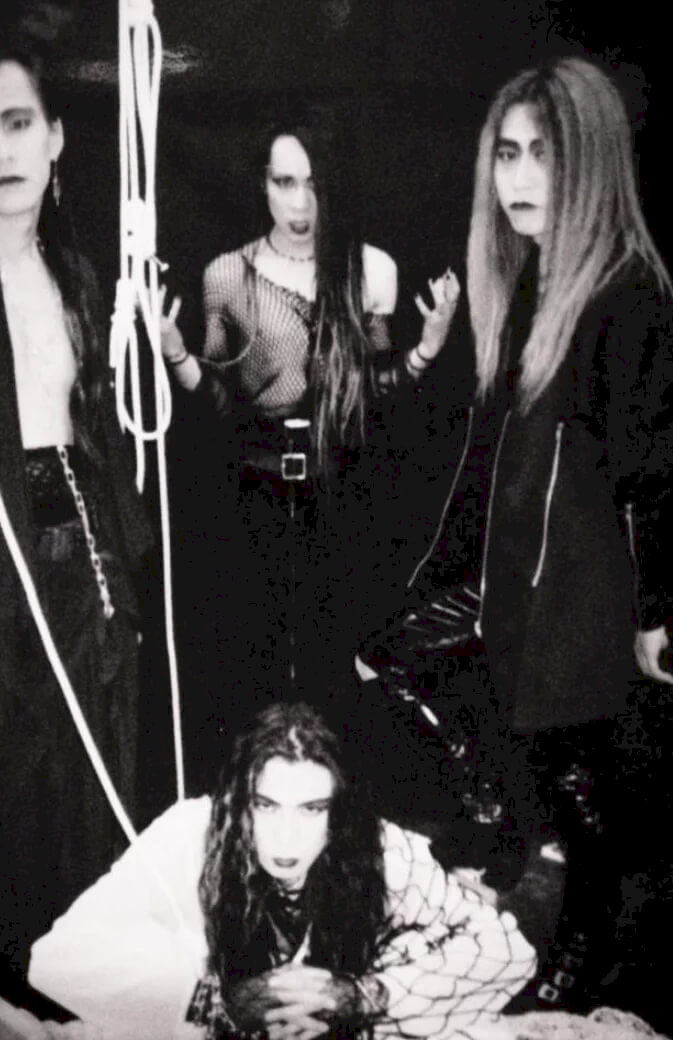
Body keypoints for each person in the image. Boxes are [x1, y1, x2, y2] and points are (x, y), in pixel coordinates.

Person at [360, 55, 673, 1002]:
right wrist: (441, 573)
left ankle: (582, 950)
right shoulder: (525, 278)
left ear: (591, 161)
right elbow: (488, 459)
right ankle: (502, 827)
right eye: (508, 153)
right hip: (513, 576)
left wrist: (657, 608)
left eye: (545, 153)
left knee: (582, 785)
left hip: (583, 588)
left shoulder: (628, 293)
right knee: (394, 660)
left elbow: (652, 464)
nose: (521, 176)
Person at [0, 26, 154, 1015]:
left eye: (19, 123)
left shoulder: (76, 265)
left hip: (85, 551)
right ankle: (0, 1005)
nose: (2, 150)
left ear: (55, 137)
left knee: (96, 764)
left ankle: (83, 1001)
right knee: (2, 786)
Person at [158, 110, 461, 723]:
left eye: (313, 183)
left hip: (341, 494)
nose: (300, 203)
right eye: (284, 182)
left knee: (335, 666)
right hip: (252, 495)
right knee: (253, 664)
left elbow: (373, 394)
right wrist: (176, 355)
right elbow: (219, 403)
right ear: (263, 184)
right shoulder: (227, 274)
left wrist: (427, 348)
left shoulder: (369, 269)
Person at [28, 701, 536, 1040]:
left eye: (312, 809)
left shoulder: (381, 849)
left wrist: (365, 996)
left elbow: (507, 951)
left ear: (339, 811)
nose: (286, 839)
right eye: (266, 806)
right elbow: (56, 960)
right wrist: (215, 1004)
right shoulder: (189, 834)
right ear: (237, 800)